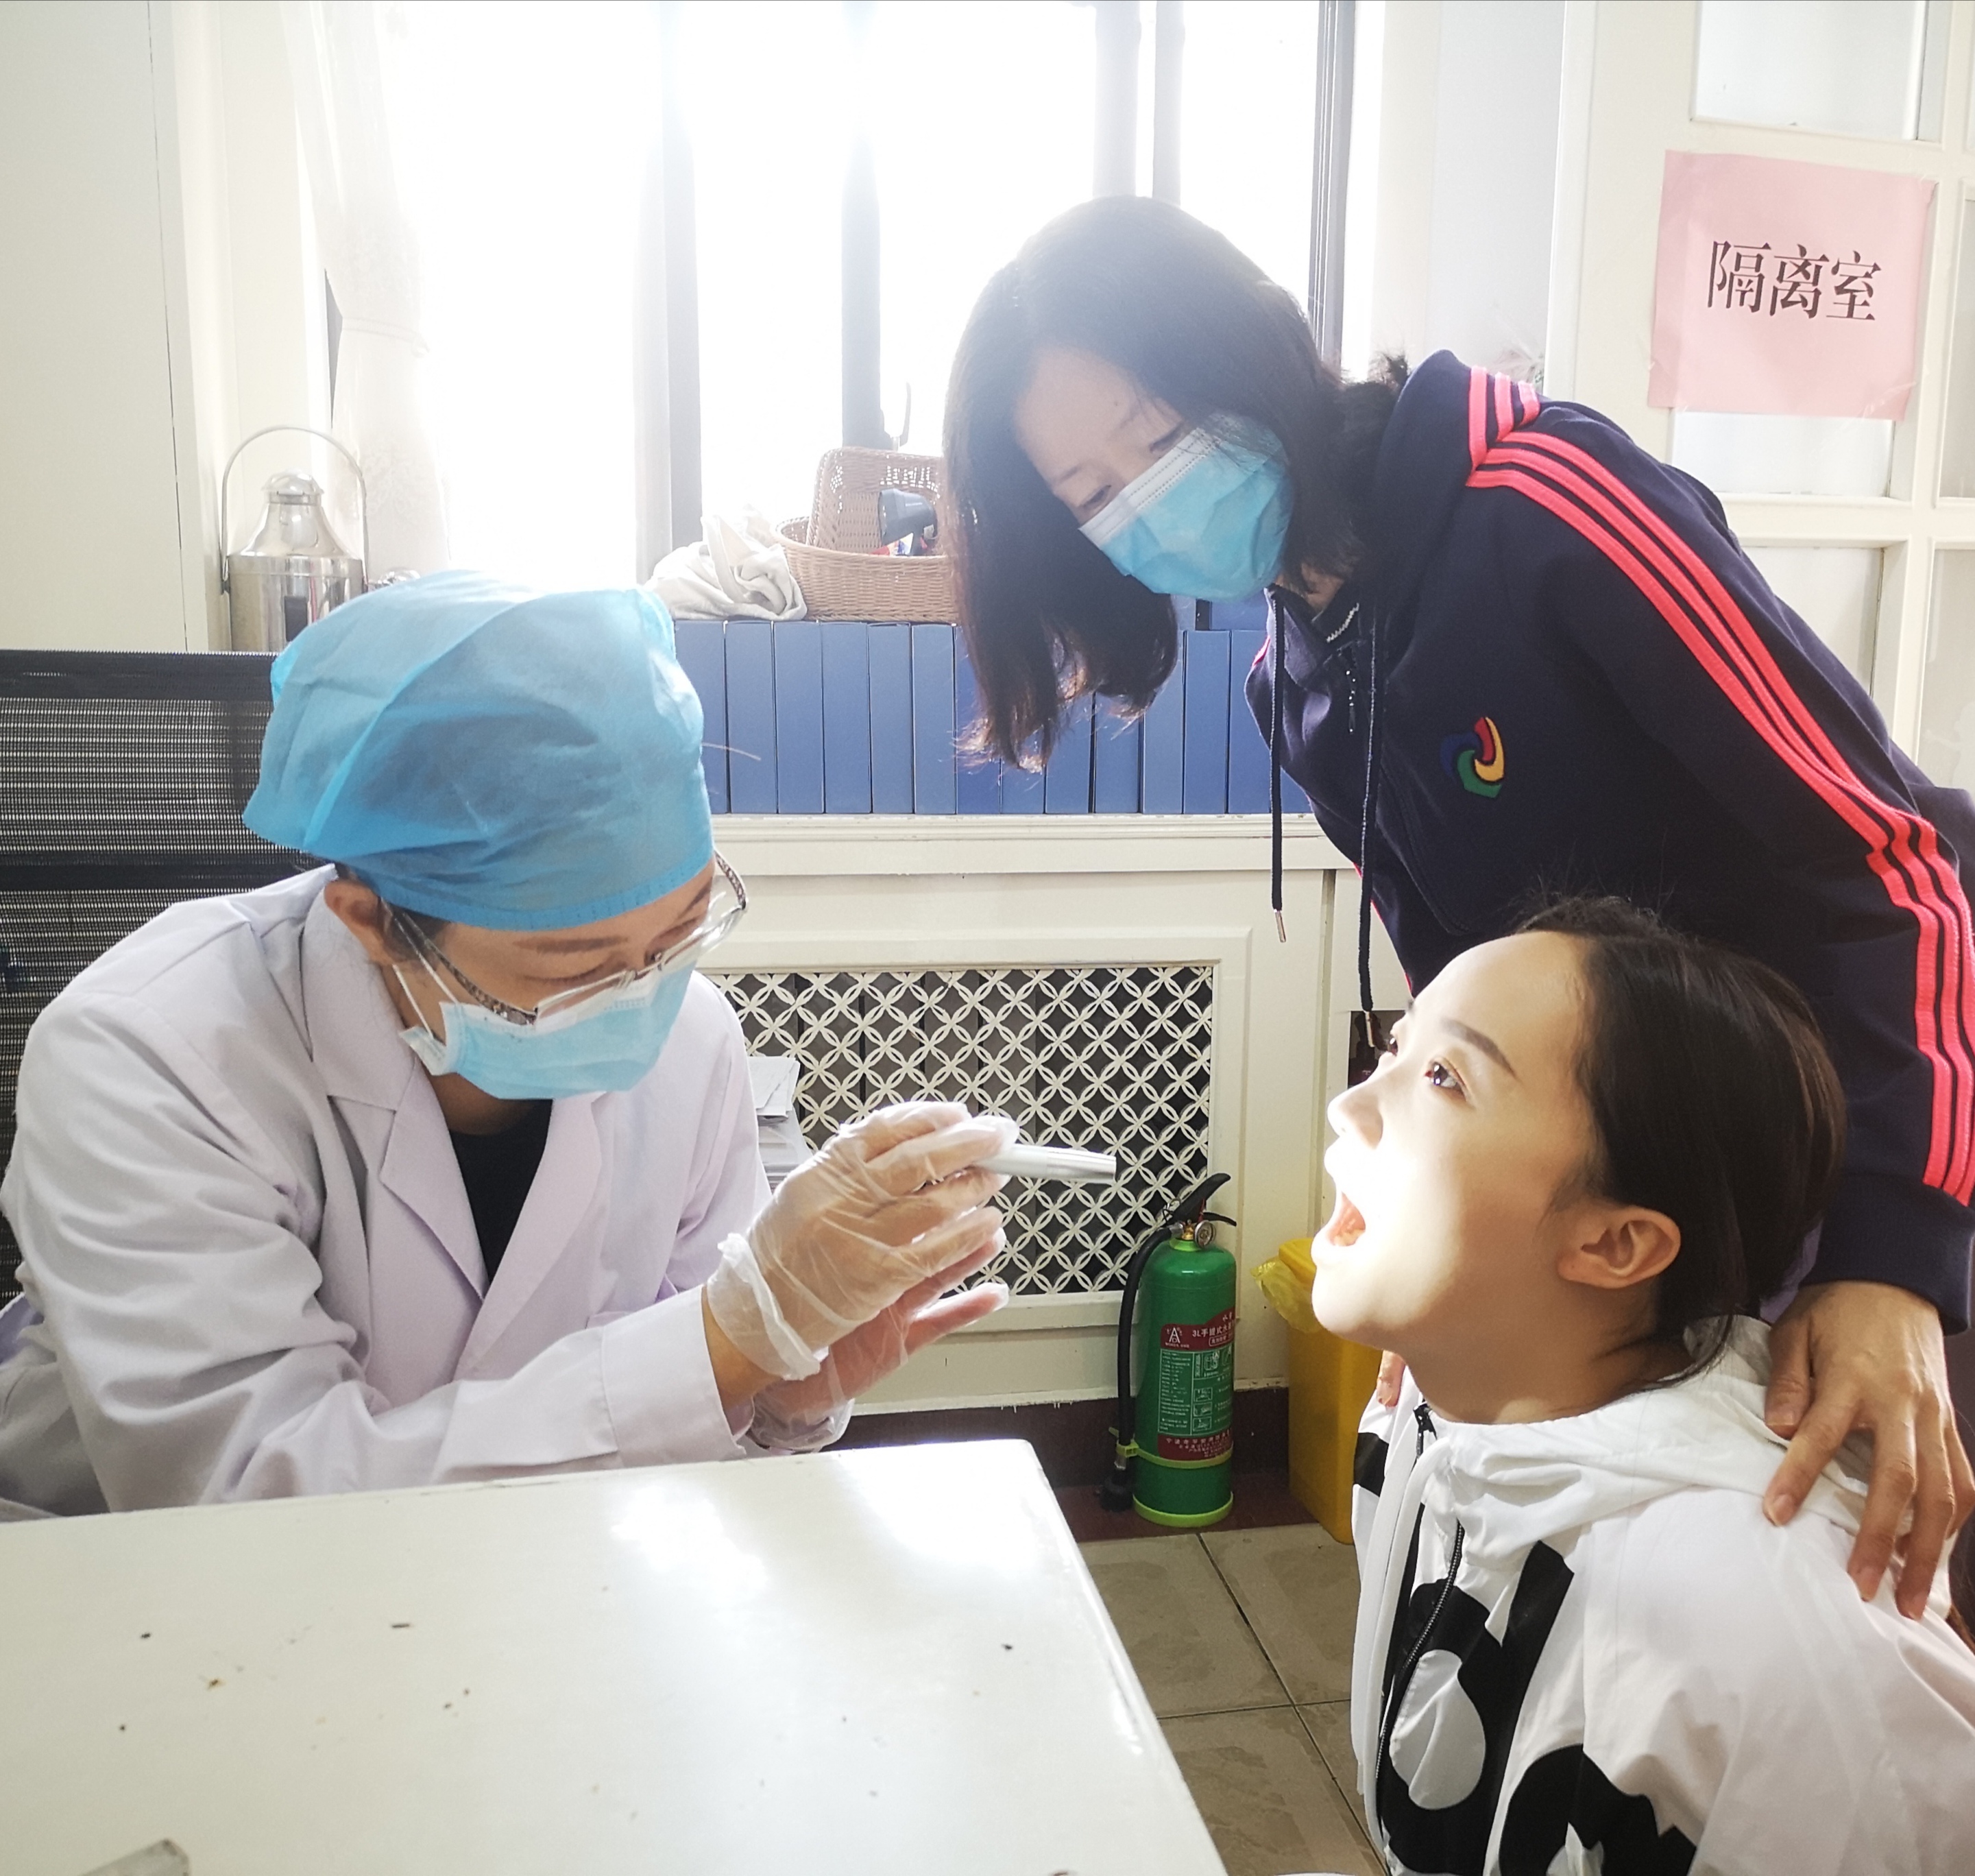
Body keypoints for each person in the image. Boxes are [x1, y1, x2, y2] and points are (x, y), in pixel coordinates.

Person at [943, 195, 1975, 1618]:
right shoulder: (1297, 681)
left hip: (1887, 1116)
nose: (1139, 496)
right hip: (1677, 1185)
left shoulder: (1548, 508)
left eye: (1155, 430)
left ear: (1254, 351)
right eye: (1086, 491)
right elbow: (1470, 1007)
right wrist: (1441, 1266)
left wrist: (1894, 1259)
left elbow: (1886, 860)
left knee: (1887, 1600)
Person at [0, 573, 1011, 1512]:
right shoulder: (148, 1055)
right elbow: (248, 1492)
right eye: (573, 964)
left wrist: (781, 1388)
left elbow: (680, 1433)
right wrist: (726, 1345)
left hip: (556, 1562)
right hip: (154, 1593)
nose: (643, 995)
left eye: (682, 929)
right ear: (369, 921)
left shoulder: (690, 1033)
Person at [1318, 899, 1975, 1875]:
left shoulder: (1772, 1630)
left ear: (1616, 1243)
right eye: (1394, 1050)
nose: (1350, 1107)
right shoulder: (1429, 1407)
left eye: (1445, 1077)